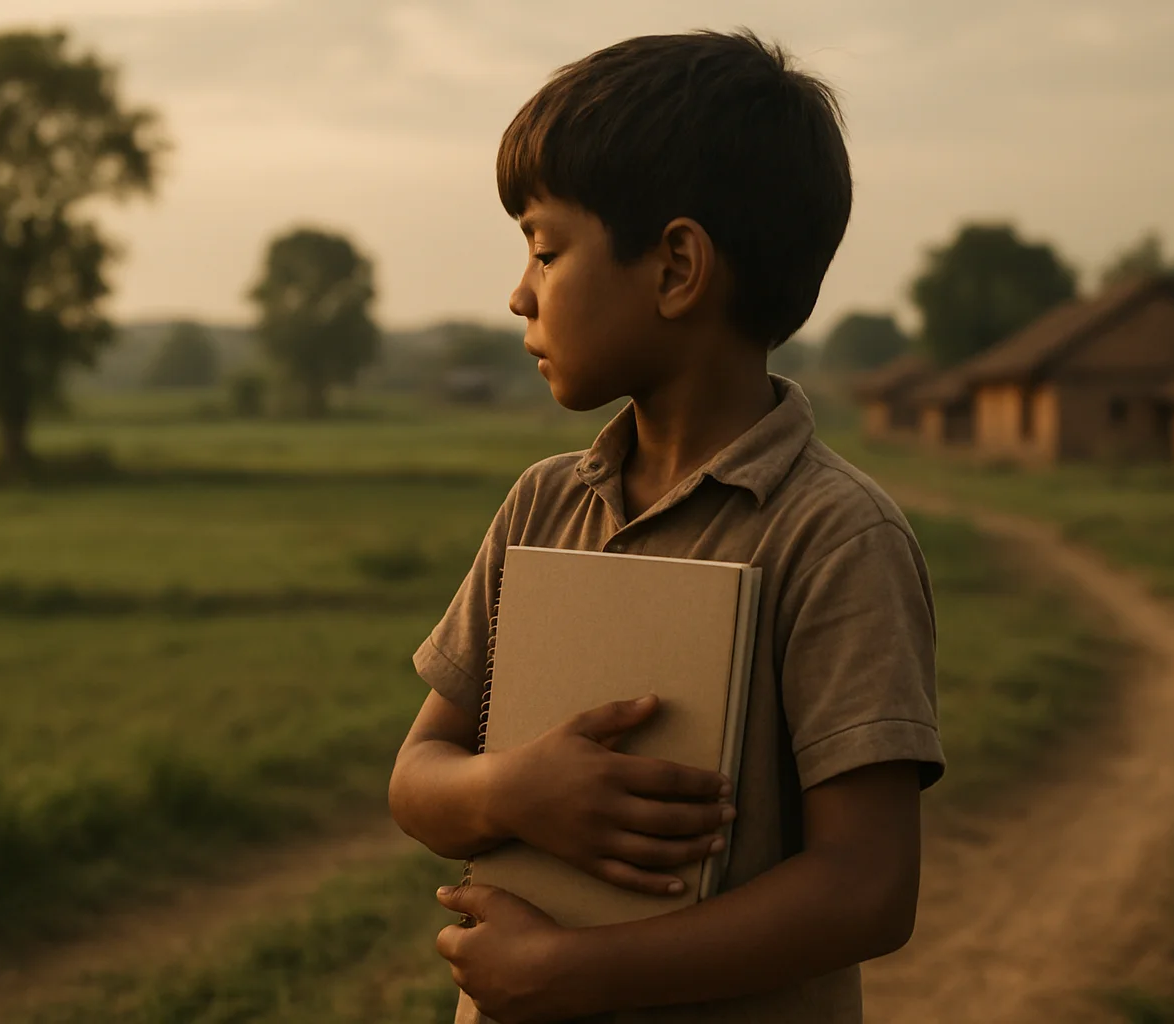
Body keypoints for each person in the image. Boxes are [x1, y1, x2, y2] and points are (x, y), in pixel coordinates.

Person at [388, 29, 943, 1024]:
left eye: (546, 249)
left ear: (677, 265)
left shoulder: (832, 538)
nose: (519, 293)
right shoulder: (543, 506)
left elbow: (866, 887)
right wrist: (517, 790)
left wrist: (574, 974)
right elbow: (417, 779)